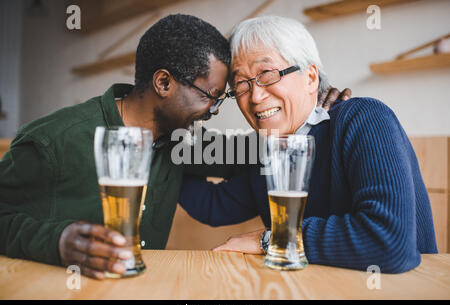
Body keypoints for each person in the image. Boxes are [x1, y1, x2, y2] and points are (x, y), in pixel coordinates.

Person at [0, 14, 348, 280]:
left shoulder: (184, 142)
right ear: (164, 82)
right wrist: (57, 242)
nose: (213, 112)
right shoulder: (54, 140)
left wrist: (318, 115)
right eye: (211, 97)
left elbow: (268, 150)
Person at [179, 16, 438, 273]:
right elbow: (212, 206)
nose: (255, 96)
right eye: (241, 84)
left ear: (311, 78)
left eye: (267, 74)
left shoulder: (364, 118)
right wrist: (171, 128)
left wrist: (273, 239)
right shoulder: (272, 150)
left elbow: (389, 242)